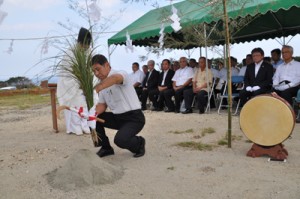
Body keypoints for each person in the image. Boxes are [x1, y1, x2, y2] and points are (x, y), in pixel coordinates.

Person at [92, 54, 146, 158]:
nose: (96, 73)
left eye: (98, 69)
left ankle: (139, 143)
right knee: (93, 119)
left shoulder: (120, 73)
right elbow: (102, 105)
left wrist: (97, 88)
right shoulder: (101, 83)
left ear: (107, 65)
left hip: (134, 118)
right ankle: (106, 148)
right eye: (94, 71)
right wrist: (91, 114)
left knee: (120, 140)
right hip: (117, 118)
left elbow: (116, 79)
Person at [56, 27, 92, 136]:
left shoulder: (88, 51)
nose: (86, 47)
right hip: (71, 85)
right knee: (75, 104)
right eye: (84, 44)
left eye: (88, 45)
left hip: (84, 86)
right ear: (79, 42)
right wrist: (78, 81)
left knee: (85, 104)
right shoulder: (70, 53)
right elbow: (66, 73)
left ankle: (85, 125)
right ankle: (74, 127)